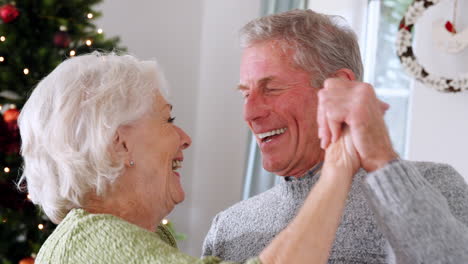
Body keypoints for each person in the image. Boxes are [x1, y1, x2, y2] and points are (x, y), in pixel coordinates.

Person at [19, 52, 369, 264]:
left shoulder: (136, 239)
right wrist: (339, 166)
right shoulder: (92, 244)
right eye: (167, 119)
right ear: (119, 144)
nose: (184, 139)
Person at [202, 9, 468, 263]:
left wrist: (383, 161)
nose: (250, 113)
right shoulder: (227, 228)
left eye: (271, 88)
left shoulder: (433, 186)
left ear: (340, 87)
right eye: (245, 94)